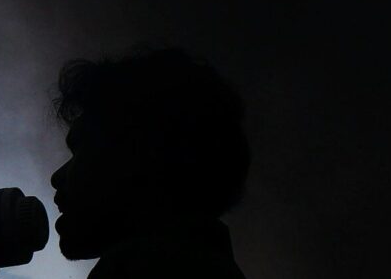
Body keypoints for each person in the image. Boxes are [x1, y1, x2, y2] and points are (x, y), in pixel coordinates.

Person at [50, 47, 250, 278]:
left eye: (79, 149)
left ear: (142, 155)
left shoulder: (142, 266)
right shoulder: (207, 265)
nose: (57, 177)